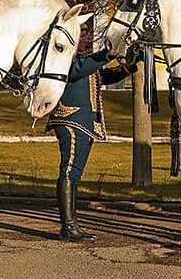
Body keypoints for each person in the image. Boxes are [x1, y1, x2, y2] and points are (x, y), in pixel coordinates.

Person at [44, 39, 130, 242]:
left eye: (87, 35)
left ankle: (71, 224)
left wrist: (130, 66)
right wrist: (105, 55)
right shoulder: (63, 58)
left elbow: (103, 77)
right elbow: (76, 71)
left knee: (74, 174)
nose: (85, 39)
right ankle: (68, 226)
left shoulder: (86, 61)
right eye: (81, 35)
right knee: (68, 170)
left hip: (84, 123)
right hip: (70, 120)